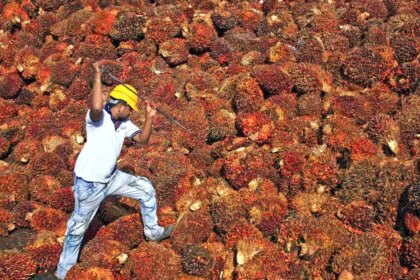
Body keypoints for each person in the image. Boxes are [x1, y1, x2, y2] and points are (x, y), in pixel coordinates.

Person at [55, 61, 173, 279]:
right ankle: (63, 272)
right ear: (120, 105)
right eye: (130, 108)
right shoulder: (97, 120)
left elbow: (143, 140)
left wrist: (149, 117)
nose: (130, 112)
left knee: (146, 189)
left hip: (110, 178)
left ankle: (153, 232)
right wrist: (98, 76)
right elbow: (97, 106)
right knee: (77, 228)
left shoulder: (125, 123)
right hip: (89, 184)